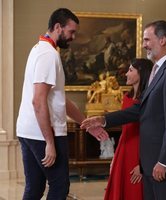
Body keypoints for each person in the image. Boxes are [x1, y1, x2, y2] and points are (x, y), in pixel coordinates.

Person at [81, 20, 166, 200]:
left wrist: (164, 161)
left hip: (164, 166)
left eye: (147, 40)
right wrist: (103, 119)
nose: (143, 45)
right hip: (150, 163)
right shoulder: (158, 71)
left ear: (162, 40)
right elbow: (140, 109)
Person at [16, 8, 108, 200]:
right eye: (71, 31)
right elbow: (38, 101)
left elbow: (59, 100)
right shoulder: (48, 55)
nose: (73, 37)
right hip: (43, 133)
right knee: (59, 187)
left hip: (28, 131)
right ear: (58, 27)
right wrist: (50, 142)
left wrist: (86, 124)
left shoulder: (38, 49)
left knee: (34, 188)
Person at [104, 58, 153, 200]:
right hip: (123, 151)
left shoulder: (147, 100)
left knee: (134, 192)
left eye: (131, 70)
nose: (126, 74)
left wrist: (142, 164)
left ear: (141, 73)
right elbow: (125, 130)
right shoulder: (126, 97)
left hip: (139, 153)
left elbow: (150, 134)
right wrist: (115, 158)